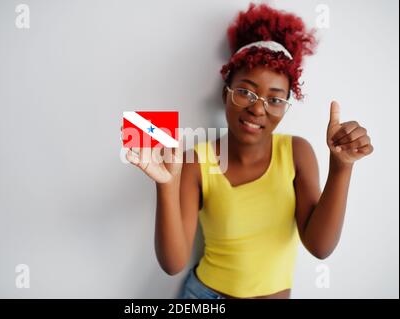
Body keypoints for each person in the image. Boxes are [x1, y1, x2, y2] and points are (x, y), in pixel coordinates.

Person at [123, 3, 374, 299]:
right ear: (225, 93)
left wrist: (341, 167)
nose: (257, 108)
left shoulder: (297, 153)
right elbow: (173, 263)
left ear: (285, 107)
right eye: (245, 91)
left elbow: (320, 247)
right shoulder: (195, 160)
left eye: (275, 99)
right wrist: (166, 184)